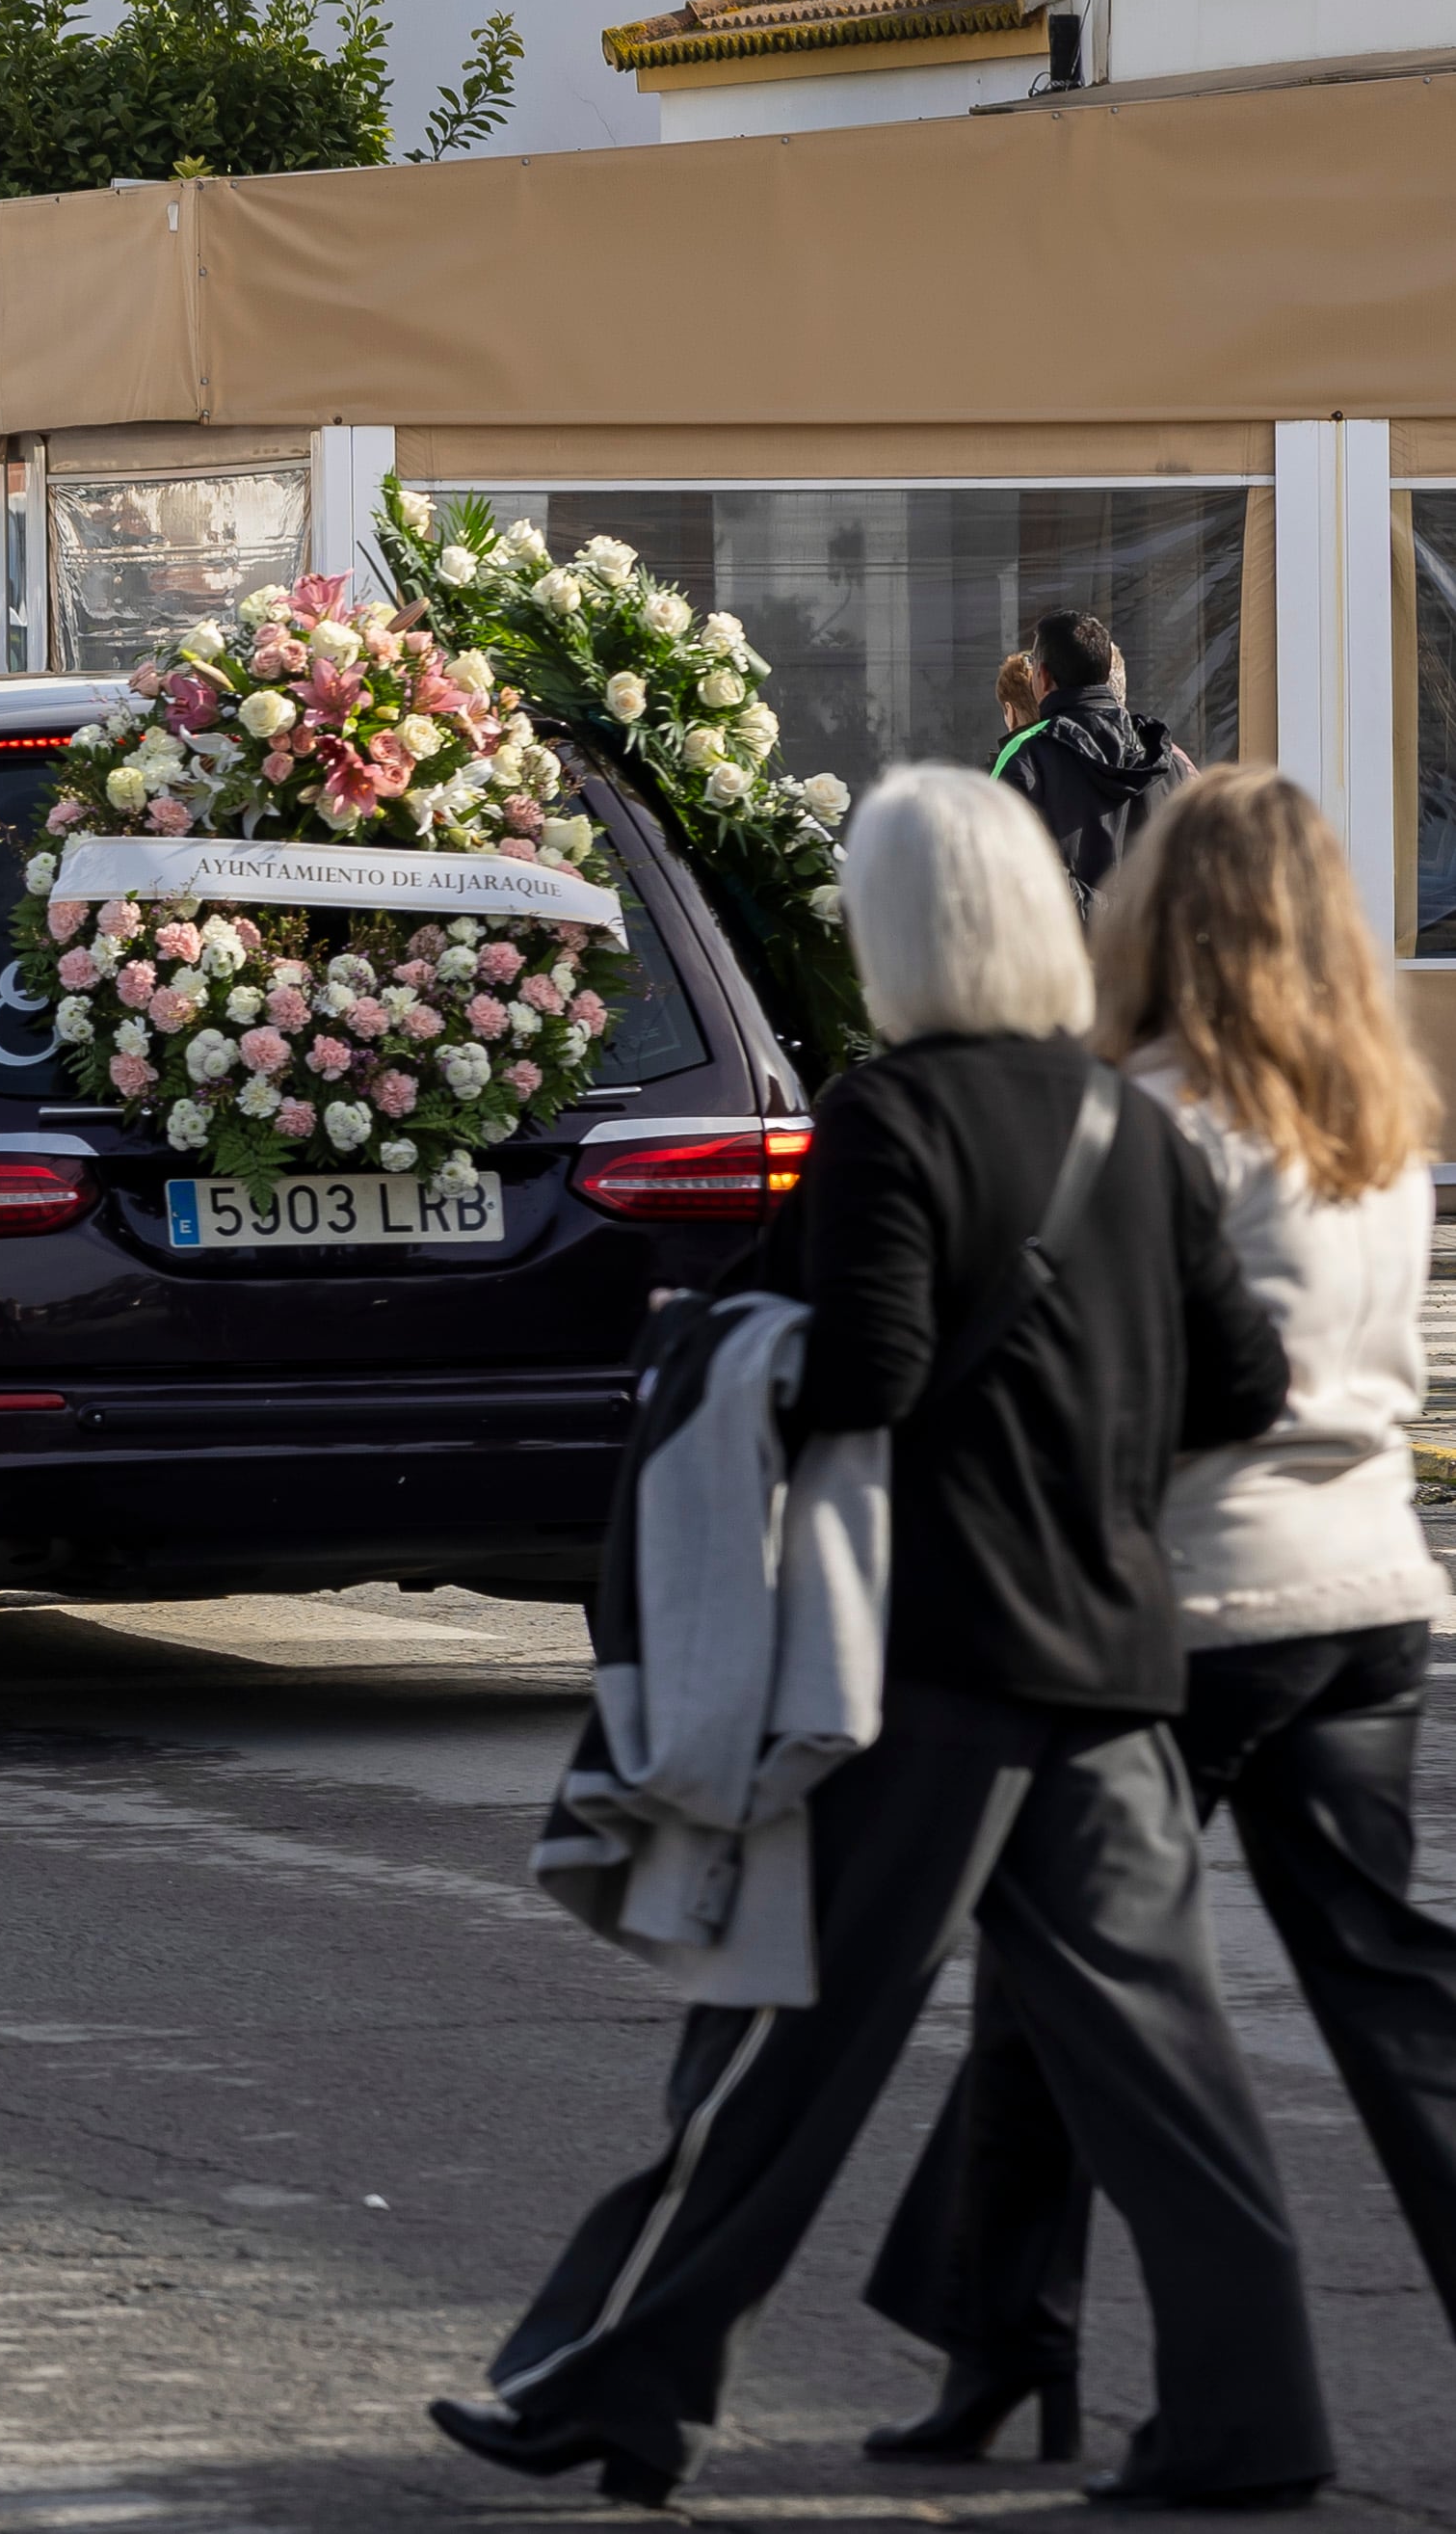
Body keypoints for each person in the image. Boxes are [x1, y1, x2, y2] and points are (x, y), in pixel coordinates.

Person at [432, 763, 1311, 2513]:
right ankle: (1254, 2414)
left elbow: (869, 1376)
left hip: (926, 1670)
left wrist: (721, 1336)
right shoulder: (1128, 1117)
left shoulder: (892, 1114)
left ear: (897, 927)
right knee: (1166, 2067)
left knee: (776, 2045)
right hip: (1113, 1661)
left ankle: (619, 2379)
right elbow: (1247, 1382)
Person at [861, 765, 1450, 2466]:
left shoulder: (1157, 1114)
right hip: (1373, 1592)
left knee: (1075, 1981)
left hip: (1192, 1597)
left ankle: (1010, 2333)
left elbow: (1156, 1379)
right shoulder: (1381, 1121)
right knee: (1381, 1981)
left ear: (1157, 915)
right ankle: (994, 2337)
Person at [997, 608, 1182, 894]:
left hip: (1062, 936)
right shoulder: (1164, 756)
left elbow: (1005, 867)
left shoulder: (1027, 757)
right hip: (1152, 936)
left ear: (1043, 678)